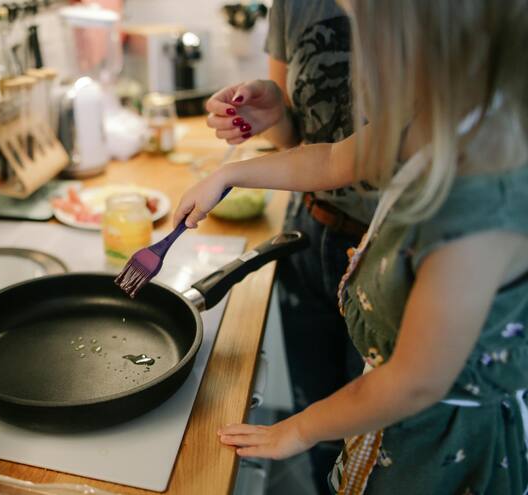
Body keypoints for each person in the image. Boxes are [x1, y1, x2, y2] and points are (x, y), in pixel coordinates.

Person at [177, 0, 528, 492]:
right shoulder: (436, 119)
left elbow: (413, 382)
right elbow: (330, 162)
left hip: (438, 446)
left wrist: (299, 428)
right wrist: (229, 174)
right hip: (394, 417)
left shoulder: (475, 211)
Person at [204, 1, 366, 489]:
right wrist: (271, 111)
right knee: (316, 414)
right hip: (310, 232)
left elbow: (410, 386)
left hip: (391, 250)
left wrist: (232, 173)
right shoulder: (293, 5)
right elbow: (304, 141)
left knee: (375, 436)